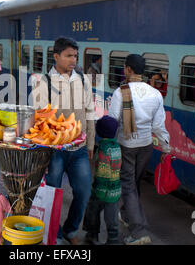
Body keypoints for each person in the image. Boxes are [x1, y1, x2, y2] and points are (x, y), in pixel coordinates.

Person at [30, 37, 95, 245]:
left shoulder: (83, 80)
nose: (73, 59)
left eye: (75, 55)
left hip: (79, 148)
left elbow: (90, 112)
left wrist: (91, 143)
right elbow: (38, 119)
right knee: (52, 194)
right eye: (68, 55)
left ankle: (70, 229)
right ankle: (54, 233)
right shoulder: (44, 82)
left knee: (84, 191)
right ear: (56, 56)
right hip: (54, 150)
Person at [108, 54, 171, 245]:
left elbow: (112, 121)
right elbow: (159, 125)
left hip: (126, 145)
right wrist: (166, 147)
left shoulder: (122, 92)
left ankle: (139, 231)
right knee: (134, 184)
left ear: (128, 69)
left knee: (127, 185)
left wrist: (106, 144)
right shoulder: (155, 94)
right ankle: (127, 215)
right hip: (146, 146)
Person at [83, 115, 122, 245]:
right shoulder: (117, 147)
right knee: (112, 215)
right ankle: (113, 238)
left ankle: (92, 235)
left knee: (92, 210)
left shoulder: (103, 149)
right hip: (115, 189)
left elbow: (102, 172)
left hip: (102, 189)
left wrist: (96, 187)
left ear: (99, 132)